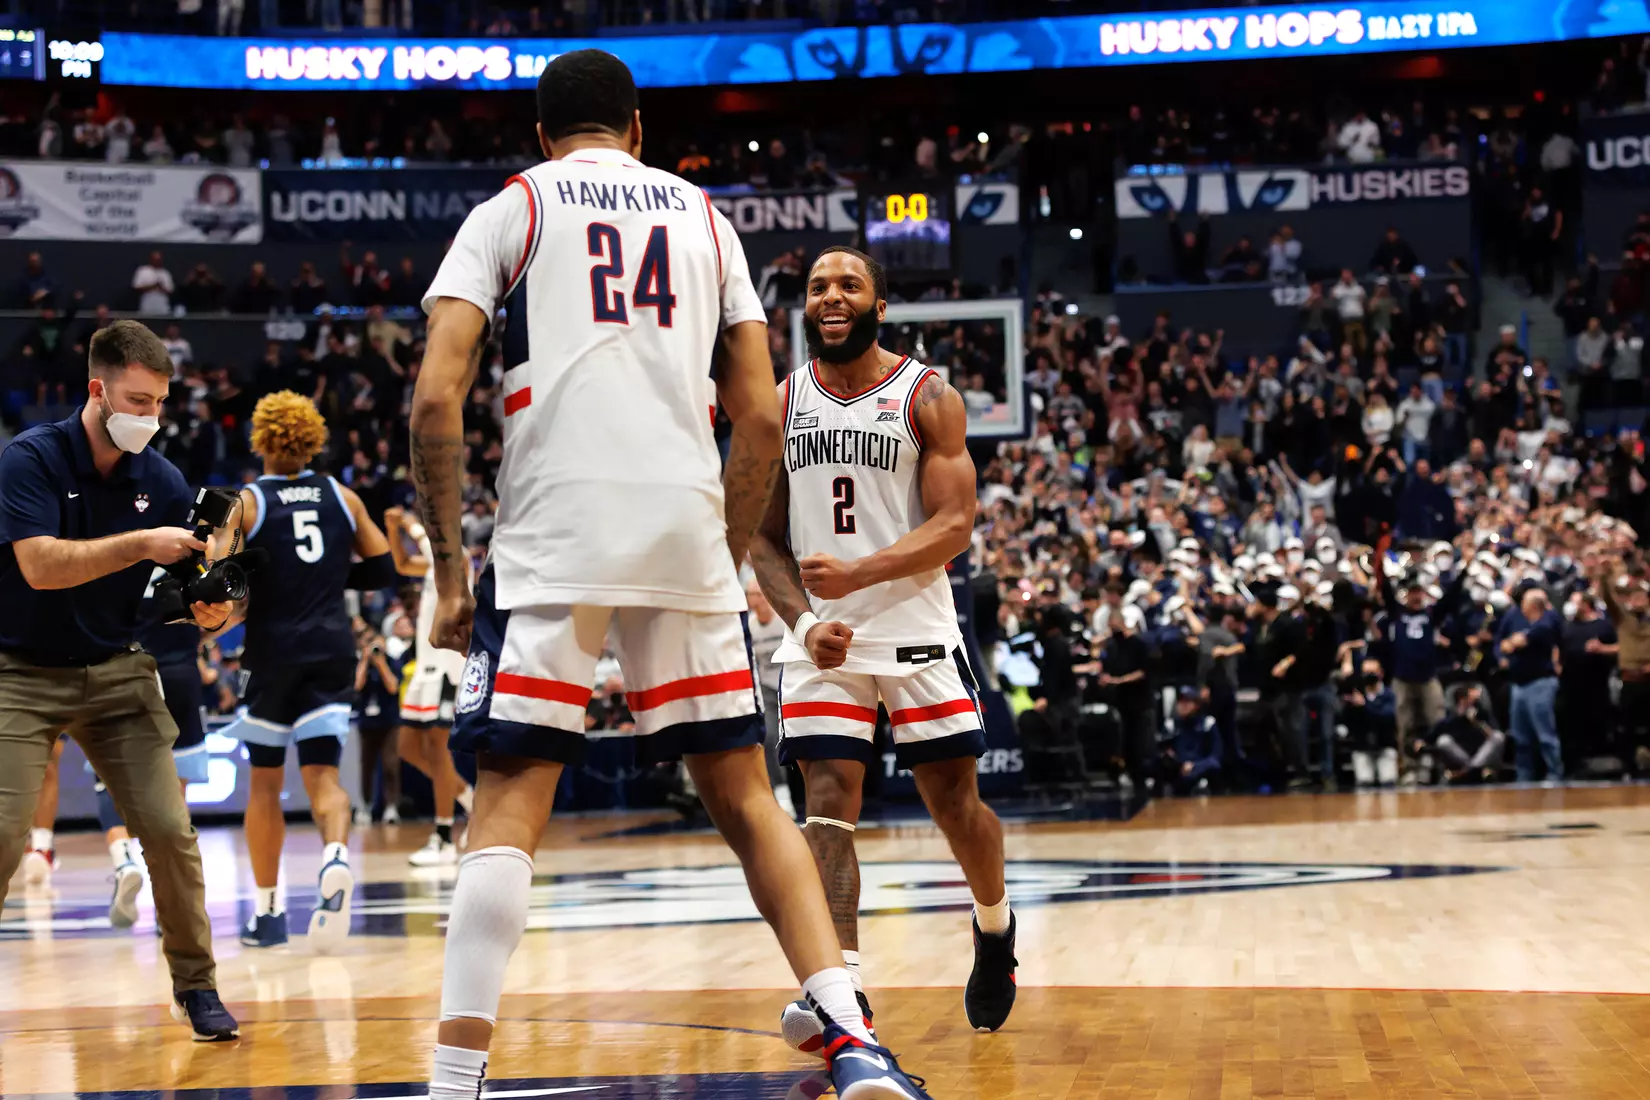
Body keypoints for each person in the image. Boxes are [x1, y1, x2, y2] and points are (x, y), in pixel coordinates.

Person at [410, 51, 930, 1100]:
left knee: (507, 802)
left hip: (556, 528)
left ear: (541, 132)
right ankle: (852, 1036)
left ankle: (455, 1078)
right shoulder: (704, 217)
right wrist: (723, 553)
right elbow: (762, 416)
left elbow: (433, 401)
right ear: (638, 128)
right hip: (682, 524)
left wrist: (454, 573)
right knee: (747, 797)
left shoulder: (512, 207)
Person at [751, 245, 1015, 1052]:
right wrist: (804, 624)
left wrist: (859, 572)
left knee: (955, 806)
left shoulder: (927, 396)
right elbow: (762, 538)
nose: (831, 296)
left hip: (912, 628)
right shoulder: (780, 402)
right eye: (818, 287)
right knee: (827, 802)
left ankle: (995, 926)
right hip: (820, 642)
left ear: (879, 306)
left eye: (849, 285)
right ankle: (847, 996)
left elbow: (955, 525)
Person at [0, 319, 238, 1041]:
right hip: (20, 671)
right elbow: (40, 567)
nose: (151, 417)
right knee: (4, 834)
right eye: (138, 401)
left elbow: (186, 591)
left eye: (160, 402)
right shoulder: (30, 458)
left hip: (117, 671)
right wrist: (140, 544)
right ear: (97, 390)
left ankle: (196, 986)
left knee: (168, 830)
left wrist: (209, 609)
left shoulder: (162, 480)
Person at [216, 391, 396, 951]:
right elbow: (383, 568)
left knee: (265, 785)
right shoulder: (343, 496)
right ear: (313, 440)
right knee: (325, 779)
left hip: (271, 656)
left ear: (262, 440)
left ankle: (269, 915)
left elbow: (222, 579)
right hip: (331, 650)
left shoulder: (247, 503)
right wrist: (328, 579)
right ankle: (335, 857)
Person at [384, 505, 476, 866]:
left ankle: (443, 838)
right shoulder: (434, 565)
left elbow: (429, 552)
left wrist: (410, 524)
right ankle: (469, 798)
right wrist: (393, 531)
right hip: (425, 669)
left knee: (438, 752)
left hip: (447, 669)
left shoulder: (458, 559)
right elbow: (404, 564)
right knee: (407, 748)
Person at [1494, 585, 1564, 782]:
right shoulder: (1515, 617)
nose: (1521, 607)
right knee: (1520, 736)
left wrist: (1518, 640)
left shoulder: (1548, 620)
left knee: (1546, 735)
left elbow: (1531, 636)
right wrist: (1509, 645)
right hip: (1518, 684)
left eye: (1524, 603)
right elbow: (1504, 643)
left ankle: (1554, 774)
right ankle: (1524, 776)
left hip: (1540, 684)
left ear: (1533, 605)